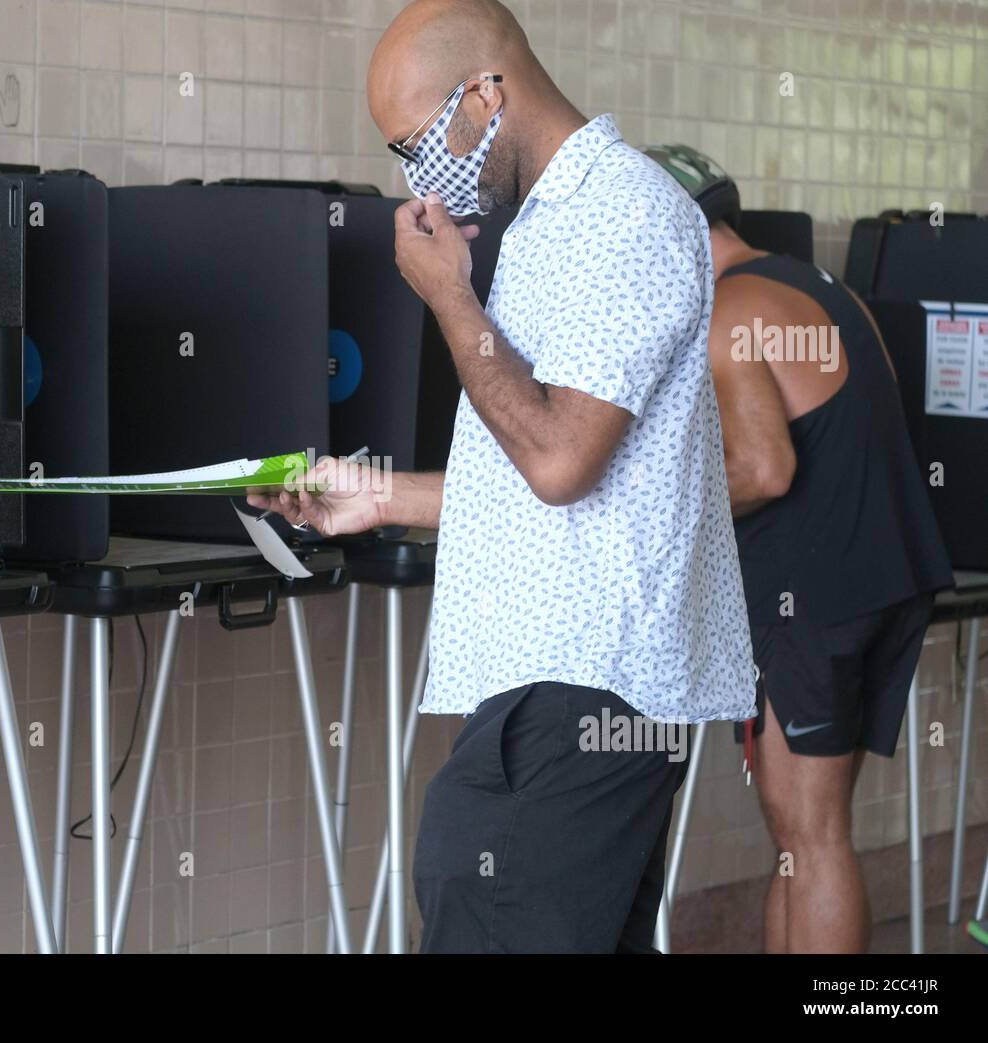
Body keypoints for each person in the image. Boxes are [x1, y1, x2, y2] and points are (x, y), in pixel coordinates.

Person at [250, 0, 755, 953]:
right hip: (555, 682)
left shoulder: (624, 214)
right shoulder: (546, 226)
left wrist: (449, 295)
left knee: (479, 898)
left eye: (419, 141)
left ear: (487, 94)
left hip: (585, 681)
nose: (415, 174)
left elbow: (559, 460)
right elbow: (558, 469)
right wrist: (379, 497)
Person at [646, 144, 954, 953]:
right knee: (802, 834)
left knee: (809, 836)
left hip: (814, 600)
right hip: (887, 579)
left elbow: (763, 467)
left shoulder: (726, 313)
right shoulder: (817, 285)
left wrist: (652, 504)